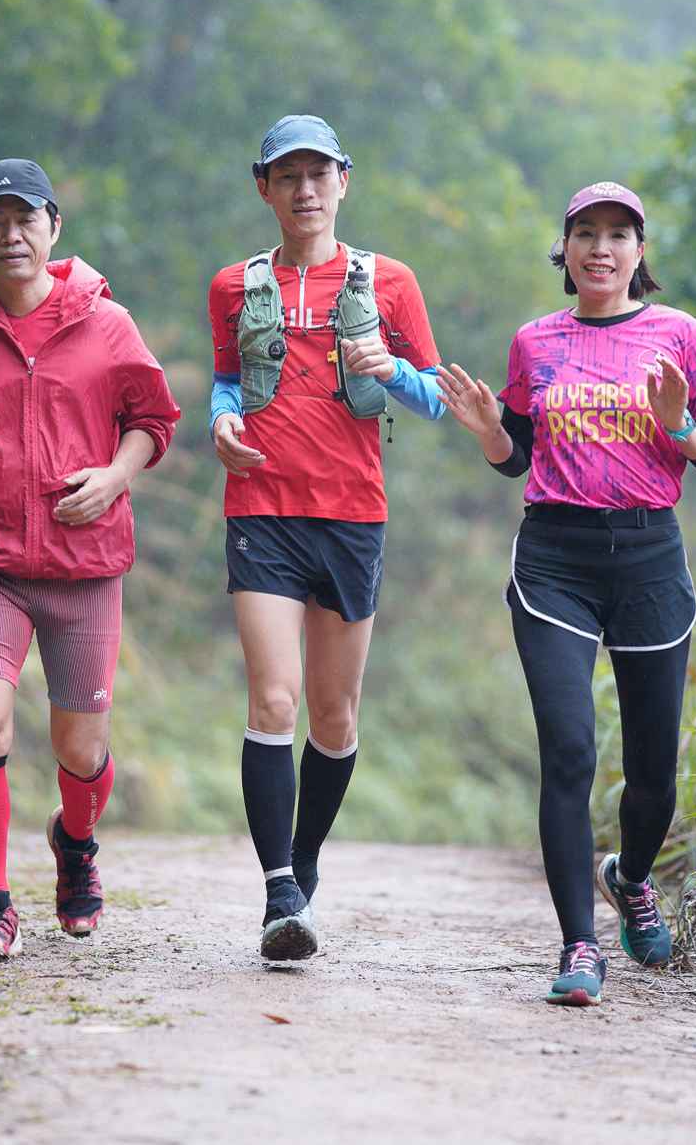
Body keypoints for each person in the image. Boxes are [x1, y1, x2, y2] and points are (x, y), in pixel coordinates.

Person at [437, 180, 696, 1007]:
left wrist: (682, 426)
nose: (601, 248)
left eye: (618, 235)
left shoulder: (680, 336)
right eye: (585, 234)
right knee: (569, 751)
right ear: (564, 253)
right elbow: (516, 455)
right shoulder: (535, 342)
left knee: (653, 776)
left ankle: (630, 877)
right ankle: (579, 946)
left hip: (648, 561)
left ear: (641, 254)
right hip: (555, 562)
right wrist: (488, 429)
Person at [0, 159, 181, 964]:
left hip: (85, 562)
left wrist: (117, 475)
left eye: (26, 220)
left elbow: (152, 419)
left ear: (53, 228)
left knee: (80, 754)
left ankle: (75, 841)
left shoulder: (108, 324)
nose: (11, 235)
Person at [208, 115, 446, 961]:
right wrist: (222, 423)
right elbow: (226, 382)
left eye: (319, 175)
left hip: (352, 513)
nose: (304, 191)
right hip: (262, 506)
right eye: (287, 176)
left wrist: (392, 370)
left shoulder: (391, 282)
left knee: (335, 716)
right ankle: (279, 891)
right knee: (273, 699)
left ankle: (304, 859)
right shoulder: (234, 285)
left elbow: (438, 399)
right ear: (264, 188)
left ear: (345, 180)